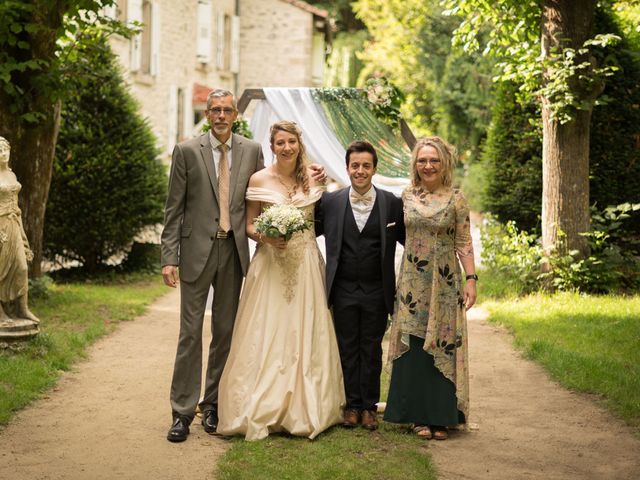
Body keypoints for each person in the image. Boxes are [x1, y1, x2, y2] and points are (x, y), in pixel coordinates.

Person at [161, 91, 325, 443]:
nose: (221, 115)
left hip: (234, 253)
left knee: (225, 333)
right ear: (207, 114)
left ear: (236, 114)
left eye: (227, 110)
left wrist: (312, 172)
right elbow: (173, 209)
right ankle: (181, 412)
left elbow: (271, 187)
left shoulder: (251, 150)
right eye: (215, 110)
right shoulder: (187, 151)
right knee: (190, 334)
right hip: (195, 253)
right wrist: (169, 257)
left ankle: (213, 405)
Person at [217, 121, 344, 441]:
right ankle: (262, 404)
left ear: (299, 144)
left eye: (291, 142)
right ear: (271, 147)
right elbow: (248, 225)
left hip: (305, 264)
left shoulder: (313, 176)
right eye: (280, 143)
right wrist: (268, 238)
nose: (286, 147)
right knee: (265, 330)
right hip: (270, 264)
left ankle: (306, 405)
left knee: (306, 329)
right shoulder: (258, 179)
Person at [384, 136, 477, 441]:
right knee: (414, 345)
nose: (428, 165)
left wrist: (471, 280)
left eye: (434, 160)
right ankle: (417, 416)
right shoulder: (407, 197)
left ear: (444, 164)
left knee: (442, 344)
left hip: (445, 283)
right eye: (422, 160)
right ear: (416, 165)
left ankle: (441, 416)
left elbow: (464, 241)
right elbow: (397, 234)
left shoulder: (456, 199)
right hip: (413, 282)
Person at [315, 141, 405, 430]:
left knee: (371, 348)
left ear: (374, 169)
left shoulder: (392, 203)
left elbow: (411, 239)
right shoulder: (330, 202)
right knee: (346, 347)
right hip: (342, 289)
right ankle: (351, 405)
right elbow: (307, 229)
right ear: (347, 168)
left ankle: (369, 406)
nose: (360, 170)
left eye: (366, 165)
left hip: (377, 289)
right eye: (355, 165)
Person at [0, 136, 39, 324]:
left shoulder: (12, 175)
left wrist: (22, 233)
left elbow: (16, 205)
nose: (3, 153)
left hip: (14, 223)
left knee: (22, 267)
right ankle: (0, 314)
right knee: (0, 269)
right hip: (0, 227)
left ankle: (22, 309)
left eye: (5, 149)